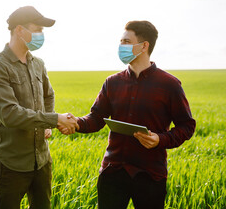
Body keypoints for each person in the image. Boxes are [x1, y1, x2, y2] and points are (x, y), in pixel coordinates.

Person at [71, 21, 196, 208]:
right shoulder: (112, 82)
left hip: (150, 175)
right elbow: (96, 118)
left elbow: (186, 126)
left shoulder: (170, 84)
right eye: (120, 41)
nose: (121, 46)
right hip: (112, 172)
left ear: (144, 46)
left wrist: (160, 139)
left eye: (126, 41)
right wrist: (75, 123)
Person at [0, 6, 77, 209]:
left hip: (42, 160)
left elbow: (48, 94)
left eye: (42, 31)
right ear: (19, 30)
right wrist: (54, 119)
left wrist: (48, 124)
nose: (40, 35)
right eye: (37, 30)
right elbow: (10, 114)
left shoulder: (38, 64)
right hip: (11, 163)